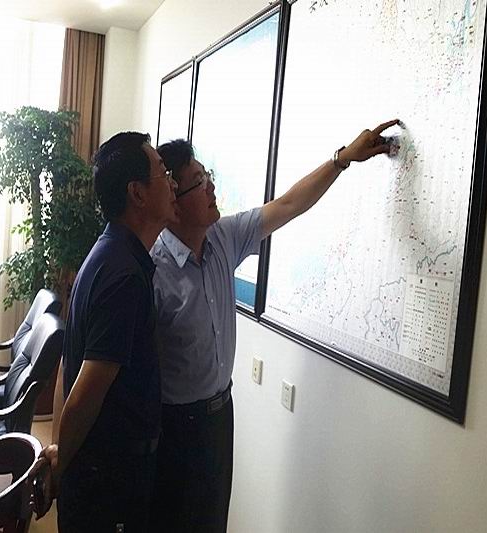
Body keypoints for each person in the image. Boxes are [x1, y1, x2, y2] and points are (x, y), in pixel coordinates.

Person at [149, 119, 401, 532]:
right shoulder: (152, 271)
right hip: (174, 427)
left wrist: (341, 160)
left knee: (212, 523)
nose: (211, 188)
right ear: (173, 202)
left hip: (219, 418)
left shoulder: (223, 238)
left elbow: (287, 205)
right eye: (199, 182)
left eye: (207, 176)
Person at [44, 132, 178, 532]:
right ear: (137, 193)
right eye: (163, 173)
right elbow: (86, 390)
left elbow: (68, 365)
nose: (172, 184)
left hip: (101, 472)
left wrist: (58, 449)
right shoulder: (124, 275)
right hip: (109, 480)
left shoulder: (109, 253)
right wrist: (57, 470)